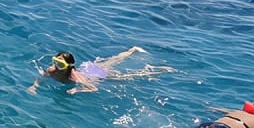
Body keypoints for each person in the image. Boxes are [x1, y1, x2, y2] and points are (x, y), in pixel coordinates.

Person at [27, 46, 173, 94]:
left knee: (124, 76)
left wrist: (77, 90)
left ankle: (134, 52)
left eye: (60, 64)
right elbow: (41, 77)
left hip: (93, 74)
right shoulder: (52, 70)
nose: (55, 66)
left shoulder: (75, 78)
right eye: (55, 62)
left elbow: (93, 88)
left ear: (68, 66)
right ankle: (132, 50)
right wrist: (34, 87)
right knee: (111, 61)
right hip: (86, 69)